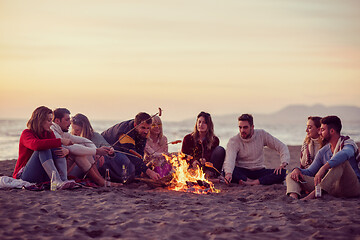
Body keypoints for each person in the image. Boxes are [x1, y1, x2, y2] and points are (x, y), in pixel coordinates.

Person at [286, 115, 360, 200]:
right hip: (332, 187)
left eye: (322, 130)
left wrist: (324, 167)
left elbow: (345, 154)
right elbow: (310, 171)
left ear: (332, 131)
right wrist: (297, 170)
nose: (319, 132)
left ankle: (309, 197)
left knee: (341, 162)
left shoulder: (347, 144)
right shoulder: (323, 151)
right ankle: (293, 198)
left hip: (351, 187)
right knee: (291, 175)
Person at [51, 108, 121, 187]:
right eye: (67, 120)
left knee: (83, 151)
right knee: (79, 153)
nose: (69, 123)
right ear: (57, 121)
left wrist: (97, 151)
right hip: (56, 173)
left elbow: (85, 141)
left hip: (65, 169)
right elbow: (73, 148)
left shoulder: (62, 133)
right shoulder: (53, 132)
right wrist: (96, 151)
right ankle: (101, 181)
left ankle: (101, 181)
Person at [12, 106, 74, 189]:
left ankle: (63, 180)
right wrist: (61, 141)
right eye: (49, 120)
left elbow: (56, 151)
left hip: (44, 174)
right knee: (43, 148)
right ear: (40, 121)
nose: (51, 123)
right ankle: (57, 181)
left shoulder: (49, 133)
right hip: (25, 176)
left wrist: (66, 151)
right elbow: (36, 145)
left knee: (56, 147)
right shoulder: (26, 133)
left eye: (51, 120)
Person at [223, 114, 290, 185]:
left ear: (252, 127)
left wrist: (283, 163)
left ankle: (253, 182)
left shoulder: (261, 134)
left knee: (283, 172)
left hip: (259, 171)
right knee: (226, 171)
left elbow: (282, 146)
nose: (242, 130)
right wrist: (228, 173)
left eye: (245, 127)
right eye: (240, 127)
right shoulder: (234, 141)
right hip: (242, 171)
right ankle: (250, 181)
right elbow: (230, 159)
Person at [71, 113, 135, 183]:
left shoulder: (95, 136)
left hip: (93, 166)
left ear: (85, 129)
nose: (74, 132)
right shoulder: (71, 137)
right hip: (77, 166)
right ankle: (101, 181)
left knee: (118, 157)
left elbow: (107, 147)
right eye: (73, 129)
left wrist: (110, 152)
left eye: (77, 130)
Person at [101, 112, 161, 180]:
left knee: (135, 166)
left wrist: (141, 171)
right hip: (107, 148)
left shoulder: (145, 131)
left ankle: (135, 177)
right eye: (143, 128)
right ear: (135, 125)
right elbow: (132, 155)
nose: (146, 131)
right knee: (126, 161)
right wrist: (149, 172)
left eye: (148, 128)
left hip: (120, 148)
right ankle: (119, 179)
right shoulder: (125, 133)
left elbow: (139, 152)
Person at [181, 111, 225, 178]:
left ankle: (209, 176)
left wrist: (205, 160)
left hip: (208, 168)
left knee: (220, 150)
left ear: (209, 125)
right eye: (199, 122)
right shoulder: (188, 138)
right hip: (192, 168)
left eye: (204, 123)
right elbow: (183, 155)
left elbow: (213, 156)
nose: (201, 125)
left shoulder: (214, 140)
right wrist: (193, 161)